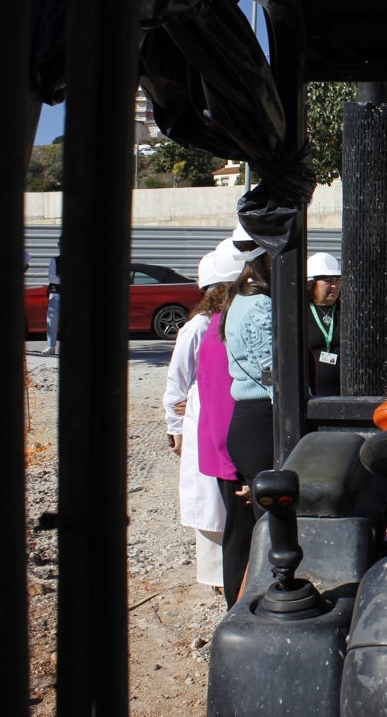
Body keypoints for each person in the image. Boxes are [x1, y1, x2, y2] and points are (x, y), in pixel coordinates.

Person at [162, 246, 238, 590]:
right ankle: (216, 575)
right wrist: (174, 426)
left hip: (226, 415)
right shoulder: (196, 328)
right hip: (200, 420)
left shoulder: (233, 323)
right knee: (209, 502)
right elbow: (177, 381)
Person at [219, 228, 274, 604]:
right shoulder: (258, 304)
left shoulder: (239, 298)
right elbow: (272, 369)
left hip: (249, 420)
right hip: (261, 420)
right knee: (270, 525)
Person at [195, 238, 246, 608]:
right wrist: (240, 467)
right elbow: (226, 402)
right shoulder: (228, 330)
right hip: (234, 456)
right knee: (242, 538)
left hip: (224, 453)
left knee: (237, 535)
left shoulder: (216, 325)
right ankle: (238, 607)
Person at [305, 251, 342, 396]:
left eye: (337, 280)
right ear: (311, 283)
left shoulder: (347, 312)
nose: (334, 286)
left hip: (343, 393)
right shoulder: (300, 313)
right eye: (328, 281)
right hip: (313, 394)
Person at [43, 242, 61, 355]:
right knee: (52, 321)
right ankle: (51, 346)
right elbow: (52, 278)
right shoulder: (55, 260)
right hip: (56, 294)